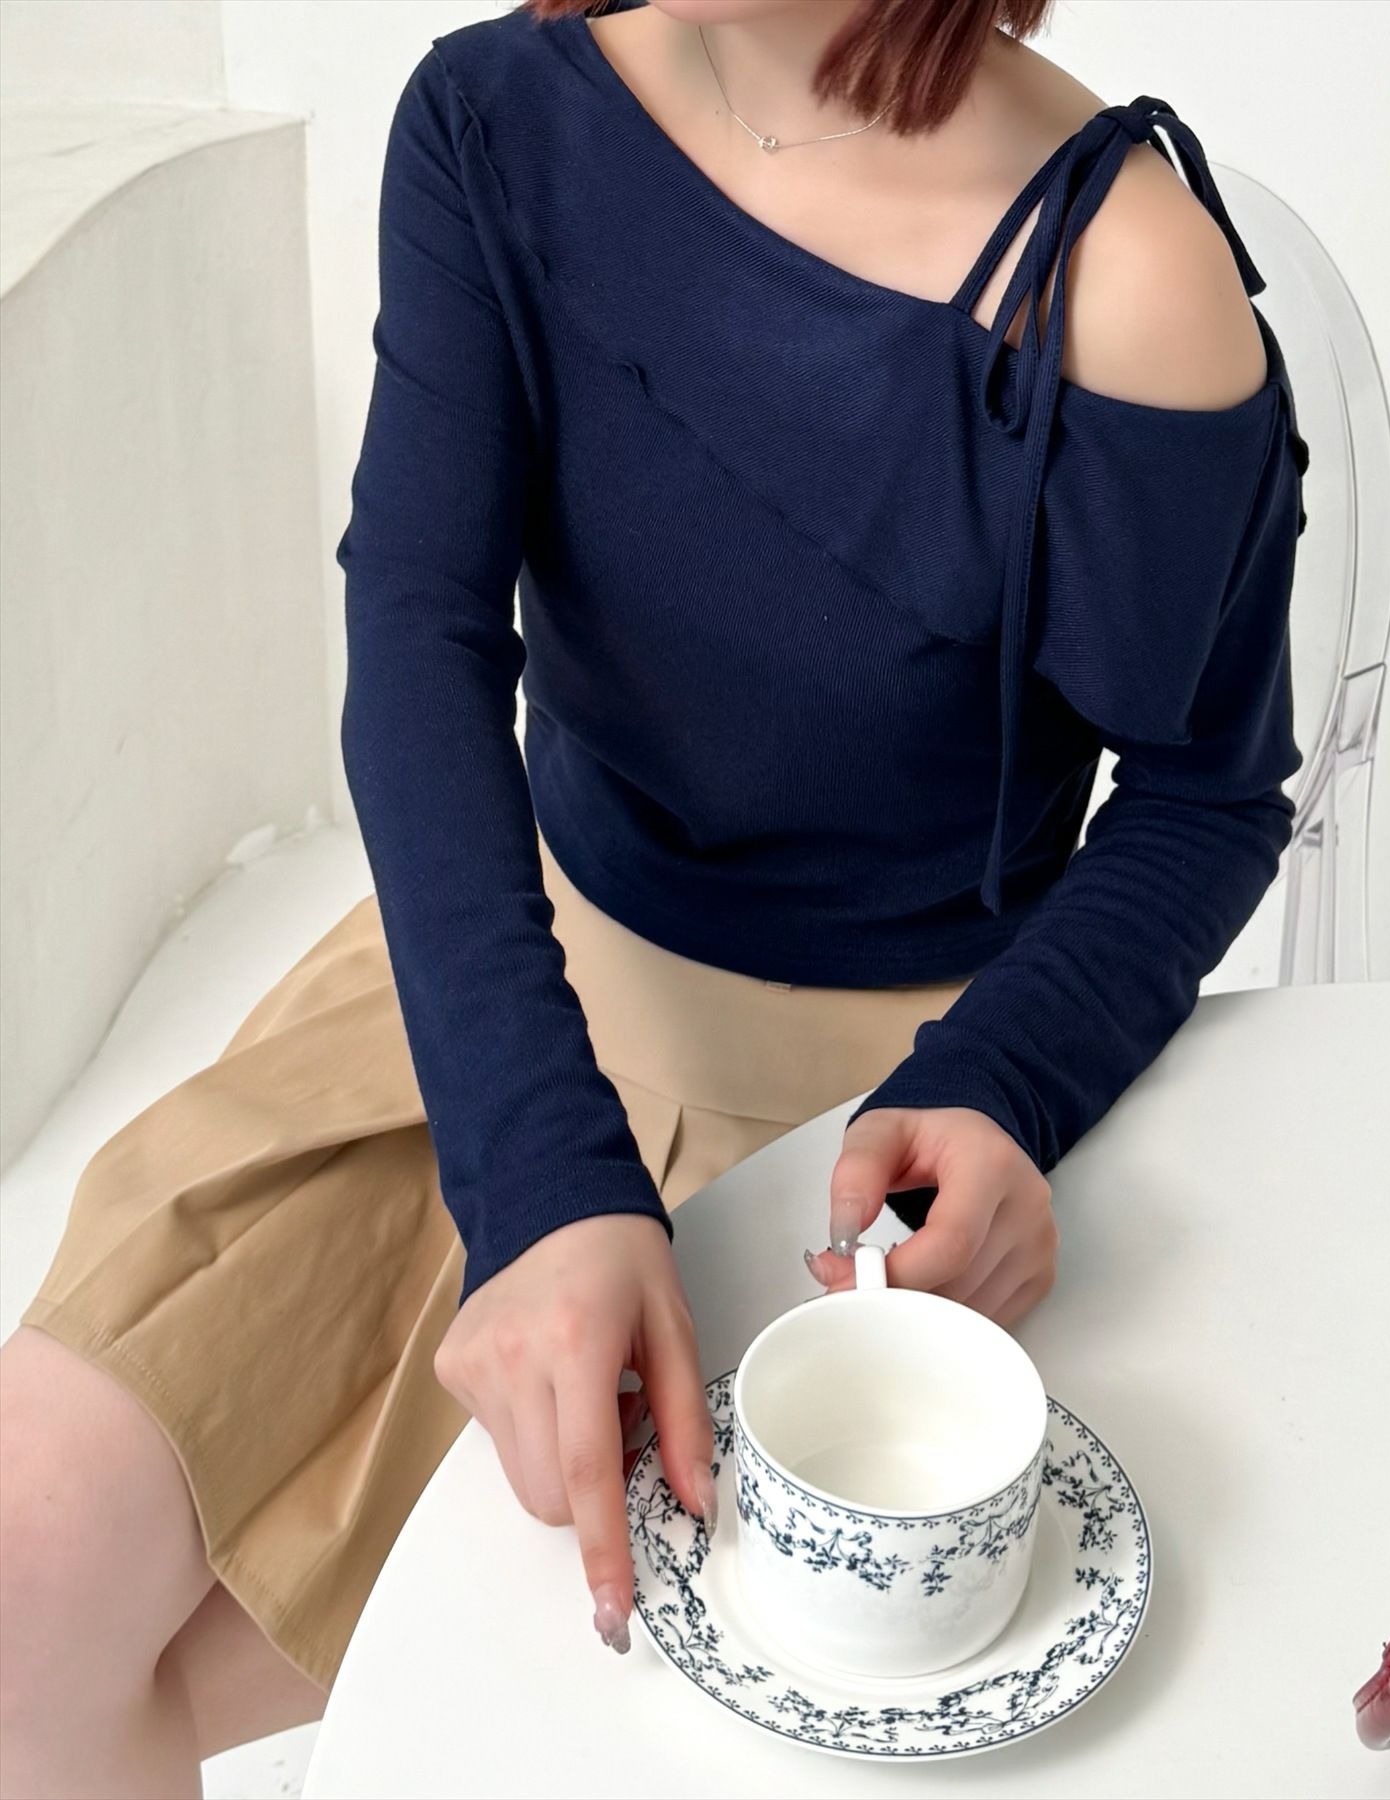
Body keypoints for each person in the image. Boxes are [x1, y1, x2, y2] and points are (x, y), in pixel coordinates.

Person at [0, 0, 1309, 1790]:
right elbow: (419, 639)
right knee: (29, 1576)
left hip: (875, 1143)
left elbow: (1207, 798)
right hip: (492, 1010)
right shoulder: (496, 116)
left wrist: (1004, 1084)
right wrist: (538, 1179)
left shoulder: (1126, 277)